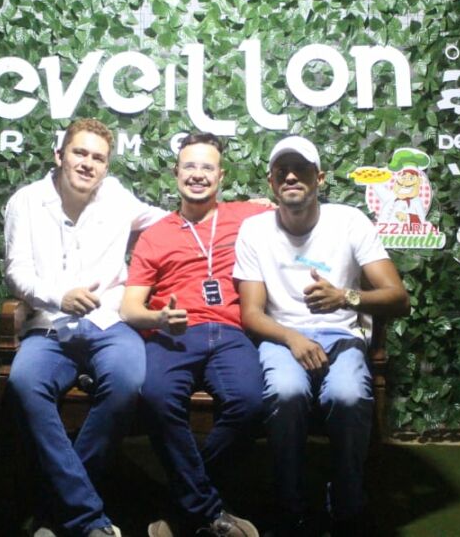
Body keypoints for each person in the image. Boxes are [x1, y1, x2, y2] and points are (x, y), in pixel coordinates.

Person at [233, 136, 410, 537]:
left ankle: (347, 505)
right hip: (282, 336)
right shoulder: (255, 229)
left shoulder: (348, 221)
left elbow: (399, 298)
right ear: (271, 181)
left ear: (320, 178)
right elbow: (252, 314)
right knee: (286, 393)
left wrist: (345, 297)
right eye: (282, 171)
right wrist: (292, 338)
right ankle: (290, 507)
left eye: (301, 169)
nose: (291, 177)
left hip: (342, 333)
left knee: (347, 396)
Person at [3, 118, 167, 537]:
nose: (88, 163)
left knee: (128, 381)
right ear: (59, 155)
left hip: (109, 323)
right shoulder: (26, 201)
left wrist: (241, 212)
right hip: (49, 326)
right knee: (24, 383)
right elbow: (16, 273)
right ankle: (87, 517)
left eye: (98, 158)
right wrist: (60, 296)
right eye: (80, 153)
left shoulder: (116, 197)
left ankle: (55, 510)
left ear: (106, 167)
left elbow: (171, 222)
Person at [120, 133, 266, 537]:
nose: (198, 175)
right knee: (156, 397)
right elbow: (129, 308)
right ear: (176, 172)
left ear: (221, 175)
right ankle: (209, 509)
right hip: (174, 335)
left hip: (231, 331)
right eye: (190, 166)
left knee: (250, 402)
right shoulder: (155, 234)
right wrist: (159, 318)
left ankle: (182, 504)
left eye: (207, 167)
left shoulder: (249, 217)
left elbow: (292, 212)